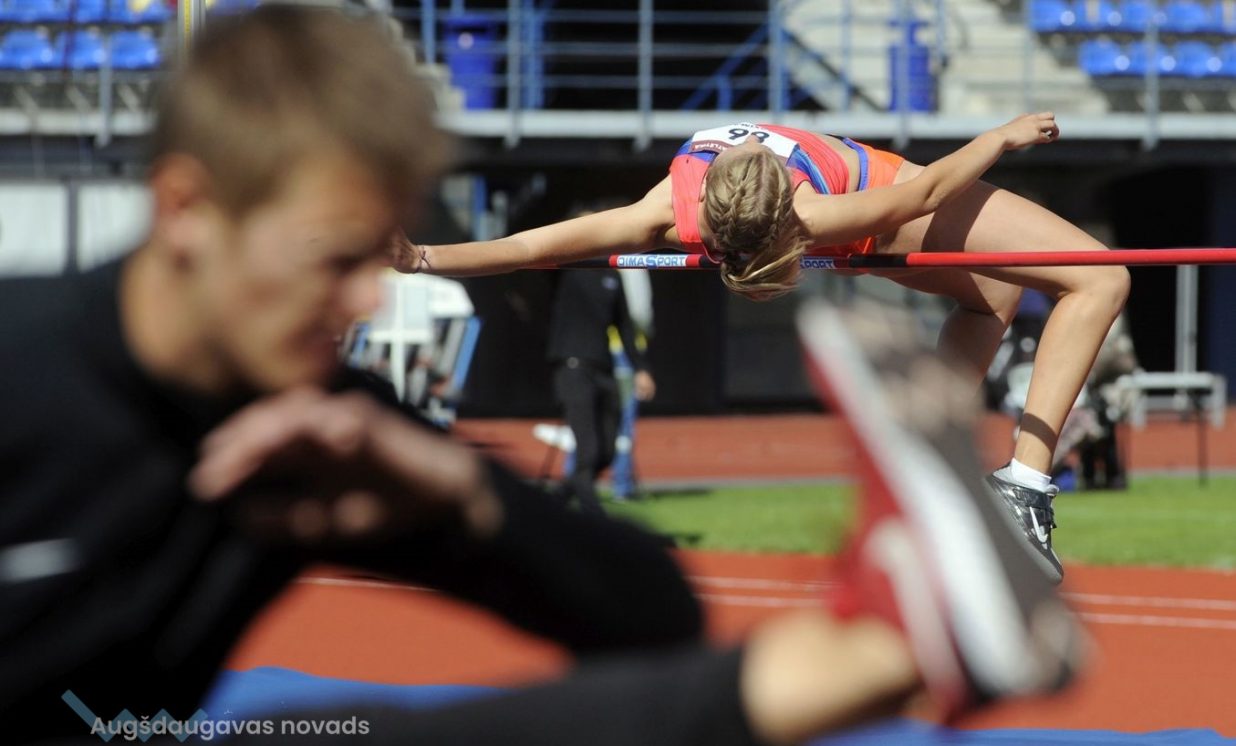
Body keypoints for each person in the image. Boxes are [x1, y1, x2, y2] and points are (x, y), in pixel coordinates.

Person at [0, 9, 1081, 744]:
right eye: (337, 258)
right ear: (187, 210)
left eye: (375, 257)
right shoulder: (23, 369)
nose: (366, 300)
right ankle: (850, 659)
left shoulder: (317, 421)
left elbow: (652, 613)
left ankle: (871, 648)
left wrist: (466, 498)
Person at [392, 118, 1132, 584]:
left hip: (872, 198)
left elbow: (925, 194)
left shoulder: (792, 209)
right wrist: (423, 256)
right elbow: (534, 246)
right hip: (879, 203)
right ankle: (1023, 485)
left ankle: (927, 468)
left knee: (992, 298)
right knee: (1102, 278)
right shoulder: (688, 214)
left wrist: (428, 256)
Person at [548, 263, 655, 514]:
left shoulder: (613, 276)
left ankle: (557, 501)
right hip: (572, 367)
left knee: (607, 451)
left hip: (603, 369)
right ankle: (594, 516)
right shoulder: (569, 271)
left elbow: (624, 327)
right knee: (588, 451)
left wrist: (641, 369)